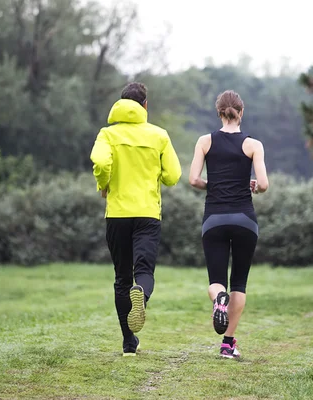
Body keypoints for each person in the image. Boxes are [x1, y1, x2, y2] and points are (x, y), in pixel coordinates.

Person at [90, 82, 182, 357]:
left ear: (121, 104)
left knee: (121, 278)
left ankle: (129, 343)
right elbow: (173, 175)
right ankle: (141, 292)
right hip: (147, 214)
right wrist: (158, 175)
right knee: (143, 271)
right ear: (144, 106)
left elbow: (101, 163)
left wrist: (103, 183)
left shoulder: (107, 135)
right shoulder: (159, 136)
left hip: (117, 214)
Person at [188, 89, 269, 359]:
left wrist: (213, 184)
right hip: (245, 219)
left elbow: (194, 180)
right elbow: (264, 184)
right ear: (241, 112)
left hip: (214, 219)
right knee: (240, 283)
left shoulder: (204, 141)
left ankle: (218, 300)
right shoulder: (253, 145)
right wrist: (254, 188)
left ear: (219, 112)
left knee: (216, 281)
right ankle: (228, 344)